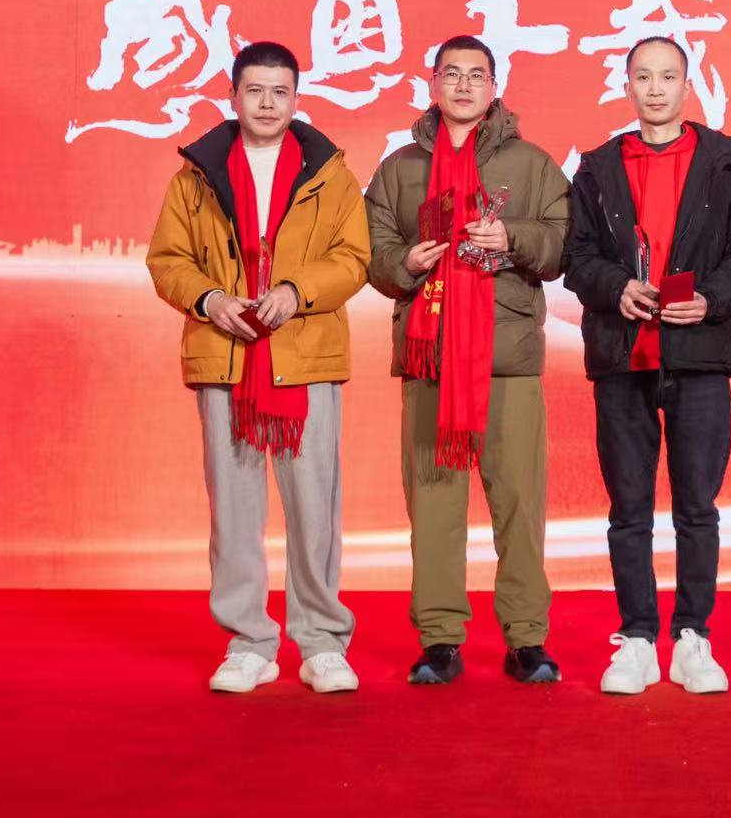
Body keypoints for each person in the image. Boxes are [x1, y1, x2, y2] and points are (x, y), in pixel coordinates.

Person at [145, 40, 372, 694]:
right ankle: (248, 642)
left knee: (315, 509)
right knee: (234, 510)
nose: (268, 103)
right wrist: (210, 300)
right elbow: (168, 260)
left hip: (305, 355)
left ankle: (321, 642)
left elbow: (353, 257)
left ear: (296, 99)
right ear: (233, 96)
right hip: (227, 357)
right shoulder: (195, 176)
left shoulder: (330, 174)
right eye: (255, 91)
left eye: (280, 92)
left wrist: (297, 293)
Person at [364, 36, 571, 684]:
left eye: (475, 75)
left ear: (494, 86)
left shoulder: (532, 164)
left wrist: (512, 237)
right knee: (433, 505)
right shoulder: (400, 168)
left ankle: (527, 637)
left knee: (519, 505)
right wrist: (405, 261)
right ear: (432, 84)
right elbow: (372, 251)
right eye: (450, 74)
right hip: (431, 356)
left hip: (506, 358)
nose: (462, 86)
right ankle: (440, 639)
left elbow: (563, 243)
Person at [563, 36, 731, 695]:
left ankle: (693, 636)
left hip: (699, 354)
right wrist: (613, 287)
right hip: (623, 354)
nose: (655, 89)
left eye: (668, 77)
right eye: (644, 77)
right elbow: (576, 257)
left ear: (687, 84)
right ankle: (637, 638)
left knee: (697, 507)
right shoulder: (596, 168)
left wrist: (713, 300)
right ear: (626, 85)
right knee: (628, 507)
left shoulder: (727, 164)